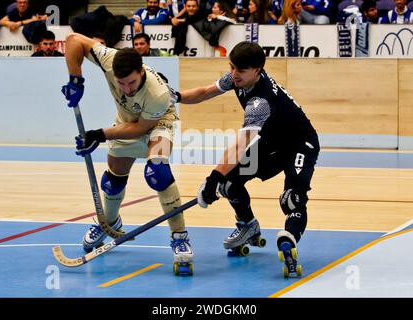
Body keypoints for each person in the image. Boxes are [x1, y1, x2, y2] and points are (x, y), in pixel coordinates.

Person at [171, 41, 319, 275]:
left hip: (301, 144)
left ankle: (289, 238)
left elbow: (241, 144)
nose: (234, 74)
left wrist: (212, 179)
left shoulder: (260, 102)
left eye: (240, 70)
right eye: (231, 67)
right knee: (229, 183)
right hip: (272, 142)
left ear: (257, 70)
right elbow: (203, 93)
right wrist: (175, 96)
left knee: (292, 199)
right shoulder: (235, 78)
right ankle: (248, 225)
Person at [60, 32, 194, 273]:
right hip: (126, 120)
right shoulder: (110, 59)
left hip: (159, 123)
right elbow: (73, 41)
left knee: (159, 173)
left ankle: (180, 236)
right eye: (121, 83)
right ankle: (108, 223)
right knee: (112, 181)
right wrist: (75, 79)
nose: (126, 89)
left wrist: (99, 135)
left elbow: (140, 129)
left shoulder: (158, 93)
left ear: (141, 71)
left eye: (131, 82)